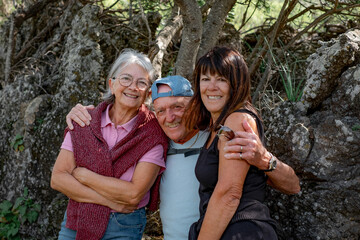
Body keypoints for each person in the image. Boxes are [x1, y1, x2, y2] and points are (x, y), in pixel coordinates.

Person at [66, 75, 300, 239]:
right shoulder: (154, 144)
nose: (170, 117)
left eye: (178, 107)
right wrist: (89, 112)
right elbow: (120, 118)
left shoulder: (218, 140)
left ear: (195, 105)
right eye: (161, 110)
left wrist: (265, 159)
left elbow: (292, 186)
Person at [50, 49, 169, 240]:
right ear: (112, 84)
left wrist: (84, 175)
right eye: (126, 79)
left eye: (141, 83)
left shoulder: (152, 134)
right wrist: (110, 202)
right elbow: (58, 178)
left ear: (147, 93)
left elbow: (133, 195)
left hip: (123, 225)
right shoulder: (84, 121)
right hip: (78, 220)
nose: (133, 87)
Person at [184, 46, 279, 239]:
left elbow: (229, 194)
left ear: (236, 84)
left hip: (243, 230)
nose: (211, 87)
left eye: (221, 79)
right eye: (205, 79)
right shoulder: (216, 127)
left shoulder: (237, 121)